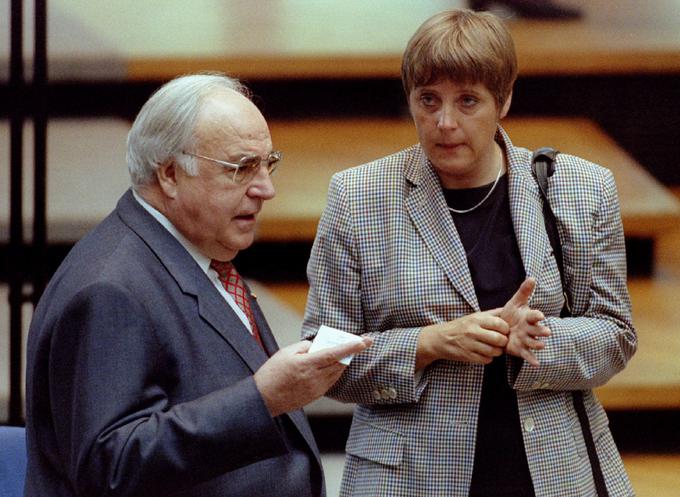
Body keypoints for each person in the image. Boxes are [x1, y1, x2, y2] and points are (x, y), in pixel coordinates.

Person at [302, 9, 636, 497]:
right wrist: (429, 343)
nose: (444, 123)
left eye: (468, 102)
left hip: (549, 471)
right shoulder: (358, 197)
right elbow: (323, 355)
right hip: (409, 475)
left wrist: (538, 338)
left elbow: (616, 334)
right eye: (428, 99)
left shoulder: (581, 189)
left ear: (504, 100)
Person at [24, 73, 372, 497]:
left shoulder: (199, 247)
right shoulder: (109, 289)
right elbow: (110, 466)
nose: (267, 188)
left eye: (268, 164)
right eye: (242, 168)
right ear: (170, 174)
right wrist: (262, 398)